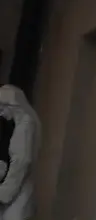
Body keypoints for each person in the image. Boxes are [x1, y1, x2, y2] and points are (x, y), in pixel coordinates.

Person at [0, 77, 38, 220]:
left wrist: (4, 192)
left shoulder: (26, 124)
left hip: (19, 193)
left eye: (2, 108)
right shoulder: (25, 122)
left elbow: (22, 161)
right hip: (20, 190)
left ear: (12, 104)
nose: (1, 113)